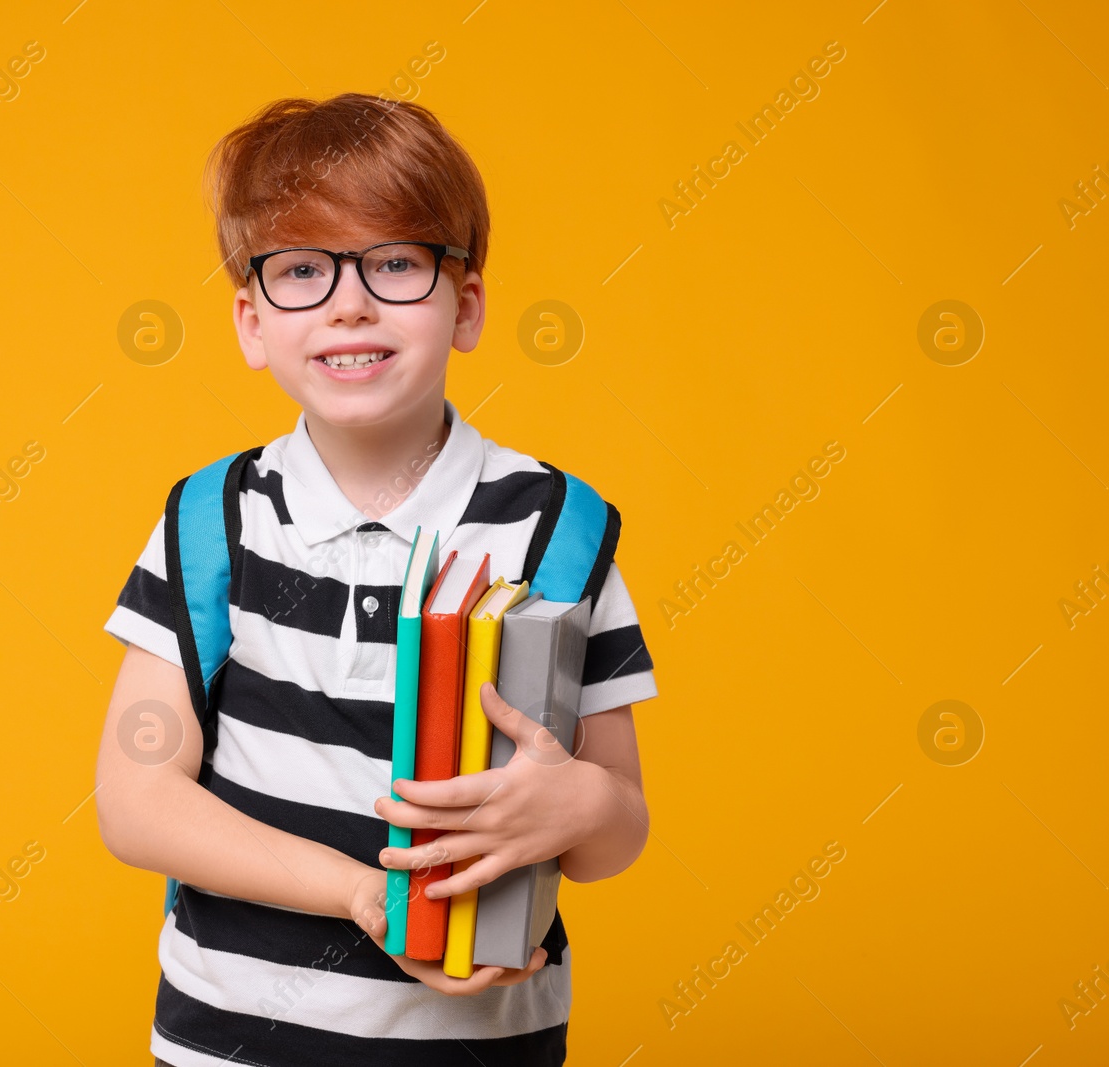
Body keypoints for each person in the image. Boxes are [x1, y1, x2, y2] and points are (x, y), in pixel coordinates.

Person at [97, 91, 658, 1067]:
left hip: (481, 1043)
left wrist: (580, 804)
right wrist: (357, 890)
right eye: (301, 270)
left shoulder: (556, 531)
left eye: (395, 262)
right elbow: (134, 798)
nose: (348, 301)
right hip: (229, 1038)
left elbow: (614, 830)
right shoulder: (212, 519)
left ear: (466, 303)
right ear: (251, 322)